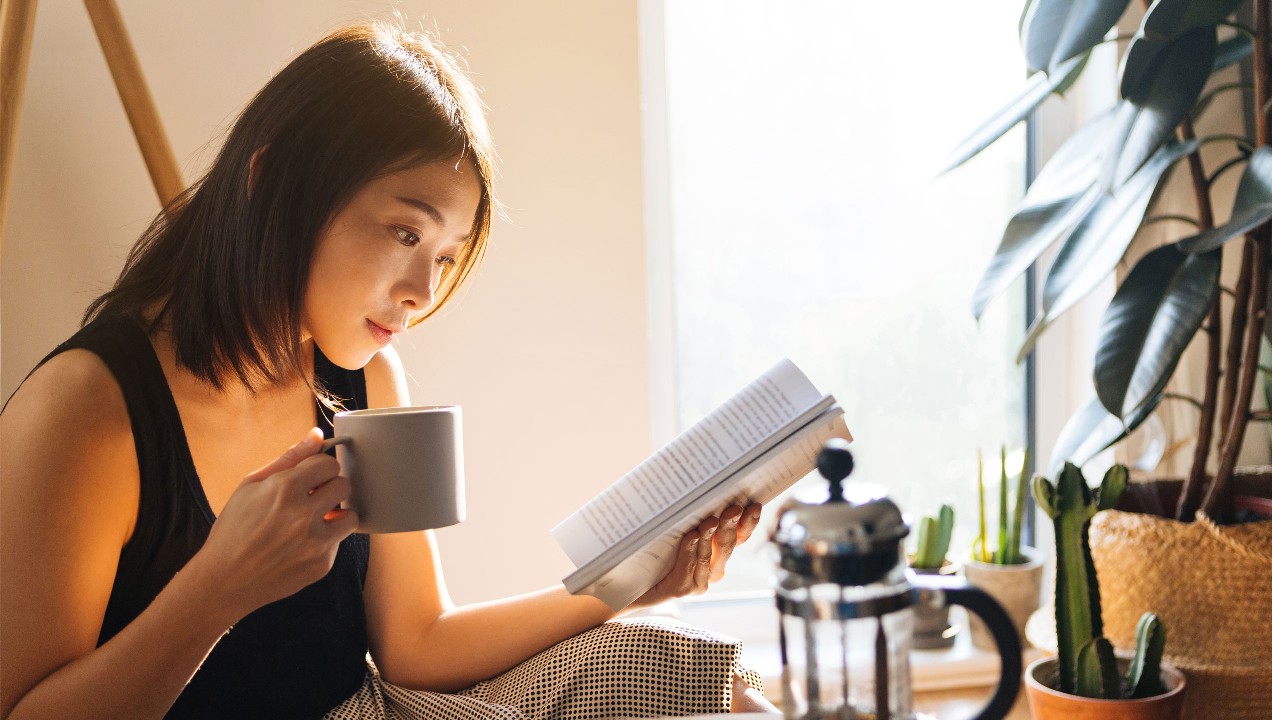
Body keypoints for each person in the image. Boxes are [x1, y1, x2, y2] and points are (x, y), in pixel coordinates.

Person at [0, 21, 775, 720]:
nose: (422, 293)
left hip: (368, 712)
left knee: (696, 673)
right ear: (272, 184)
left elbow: (419, 644)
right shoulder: (87, 411)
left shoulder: (366, 381)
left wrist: (632, 583)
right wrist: (216, 590)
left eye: (444, 256)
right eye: (404, 231)